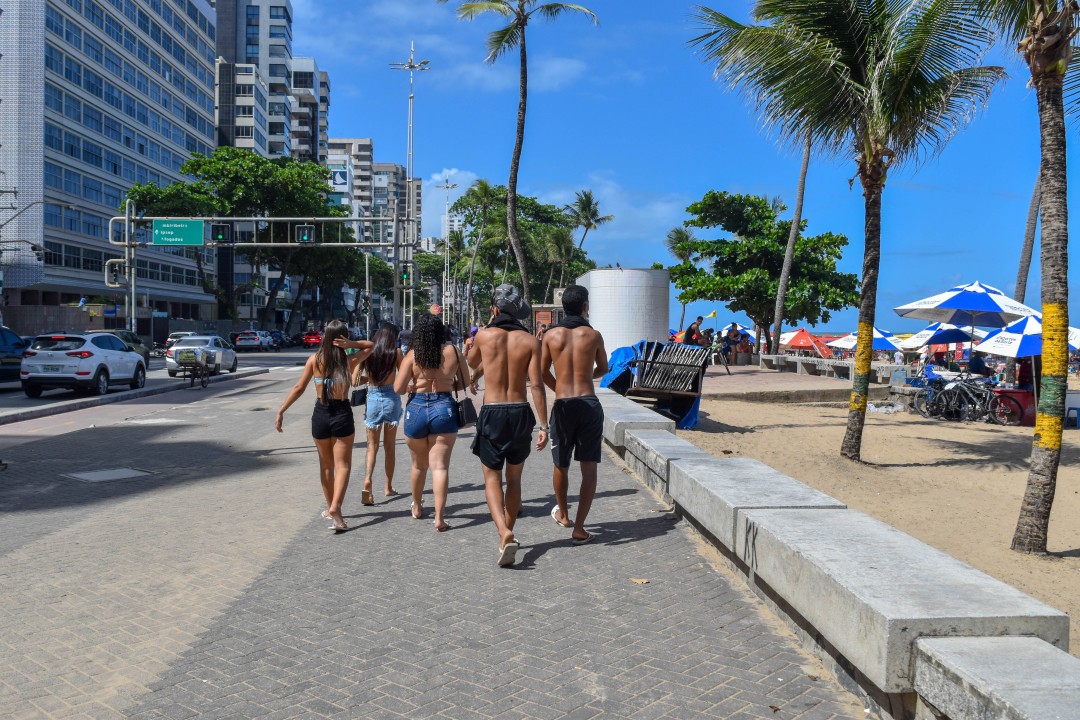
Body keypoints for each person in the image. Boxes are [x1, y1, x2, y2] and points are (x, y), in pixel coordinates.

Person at [468, 284, 549, 567]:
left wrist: (485, 333)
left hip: (492, 411)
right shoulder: (529, 341)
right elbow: (536, 385)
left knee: (492, 478)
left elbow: (472, 362)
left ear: (494, 309)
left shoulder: (485, 336)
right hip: (519, 411)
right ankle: (508, 534)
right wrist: (544, 426)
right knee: (514, 480)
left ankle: (504, 532)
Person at [275, 320, 373, 533]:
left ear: (325, 337)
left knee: (326, 466)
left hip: (320, 414)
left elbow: (299, 387)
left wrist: (281, 410)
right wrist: (351, 343)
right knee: (343, 466)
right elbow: (371, 346)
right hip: (341, 414)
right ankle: (336, 508)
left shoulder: (314, 360)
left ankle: (331, 508)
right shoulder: (350, 360)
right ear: (342, 338)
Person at [541, 284, 608, 546]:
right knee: (588, 465)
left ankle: (564, 513)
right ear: (585, 307)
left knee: (561, 463)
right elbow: (604, 366)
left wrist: (559, 387)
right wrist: (586, 378)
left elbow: (542, 371)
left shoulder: (550, 336)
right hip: (589, 403)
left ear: (562, 307)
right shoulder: (593, 335)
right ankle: (579, 528)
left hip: (563, 403)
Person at [394, 313, 469, 532]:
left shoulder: (413, 355)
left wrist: (415, 386)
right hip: (444, 407)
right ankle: (439, 518)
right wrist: (445, 385)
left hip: (416, 407)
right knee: (440, 466)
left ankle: (417, 506)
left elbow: (398, 388)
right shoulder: (454, 351)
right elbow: (463, 383)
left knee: (418, 465)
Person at [359, 323, 404, 506]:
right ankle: (388, 486)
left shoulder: (369, 352)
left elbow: (356, 378)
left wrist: (369, 378)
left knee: (372, 446)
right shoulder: (397, 353)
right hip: (392, 398)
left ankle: (367, 480)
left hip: (373, 398)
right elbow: (404, 376)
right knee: (389, 446)